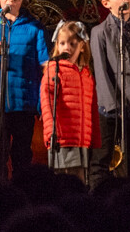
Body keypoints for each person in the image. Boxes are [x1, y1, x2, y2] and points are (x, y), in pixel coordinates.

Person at [0, 0, 49, 179]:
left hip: (24, 102)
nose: (11, 0)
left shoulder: (34, 28)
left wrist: (41, 102)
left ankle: (24, 195)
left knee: (22, 155)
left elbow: (44, 66)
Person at [88, 0, 130, 188]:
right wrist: (113, 105)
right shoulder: (100, 32)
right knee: (103, 158)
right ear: (106, 3)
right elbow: (102, 72)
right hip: (111, 107)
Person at [40, 20, 100, 181]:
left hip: (82, 139)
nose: (67, 48)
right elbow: (46, 103)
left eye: (73, 43)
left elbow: (92, 108)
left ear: (82, 47)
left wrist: (94, 138)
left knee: (80, 179)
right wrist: (51, 134)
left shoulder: (86, 74)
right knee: (65, 180)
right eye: (62, 43)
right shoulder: (54, 70)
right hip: (62, 138)